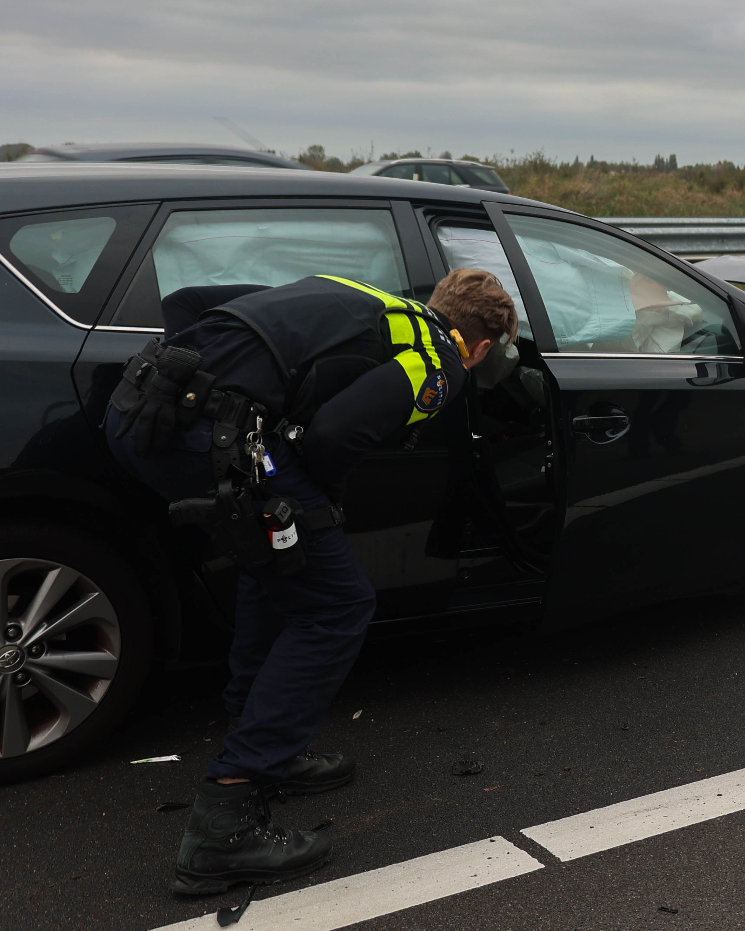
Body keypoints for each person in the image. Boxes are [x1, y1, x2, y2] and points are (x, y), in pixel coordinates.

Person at [103, 269, 517, 895]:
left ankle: (263, 737)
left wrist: (198, 384)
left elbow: (186, 302)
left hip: (142, 407)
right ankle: (227, 819)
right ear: (482, 346)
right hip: (206, 441)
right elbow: (334, 434)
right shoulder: (441, 362)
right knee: (339, 604)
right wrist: (316, 507)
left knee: (276, 564)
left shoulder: (356, 294)